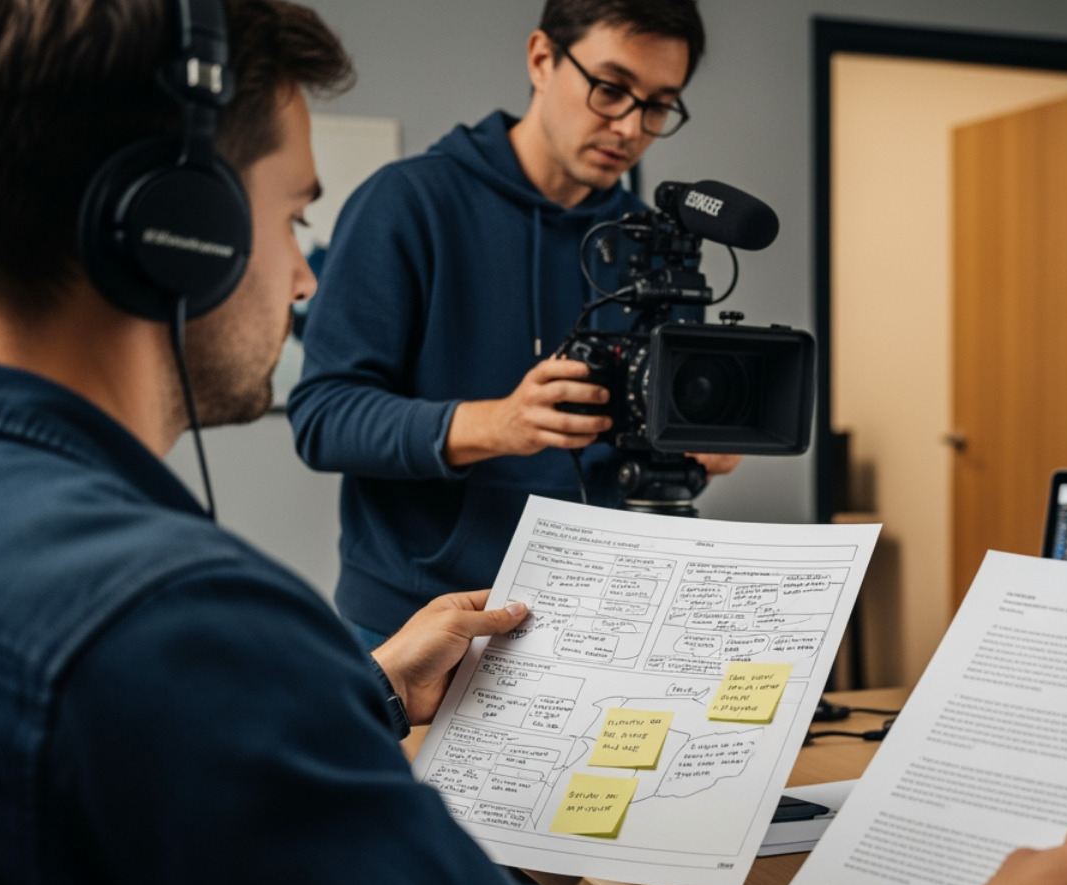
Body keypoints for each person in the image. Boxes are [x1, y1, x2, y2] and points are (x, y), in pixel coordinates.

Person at [0, 1, 1067, 885]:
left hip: (531, 650)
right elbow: (323, 414)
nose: (304, 275)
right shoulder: (181, 614)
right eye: (295, 219)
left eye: (661, 107)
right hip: (453, 634)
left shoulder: (645, 229)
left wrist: (668, 442)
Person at [287, 0, 741, 650]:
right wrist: (495, 425)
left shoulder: (659, 250)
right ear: (541, 59)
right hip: (416, 625)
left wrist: (701, 441)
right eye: (611, 89)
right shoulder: (406, 204)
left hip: (596, 620)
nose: (630, 127)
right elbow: (324, 418)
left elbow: (654, 446)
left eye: (659, 105)